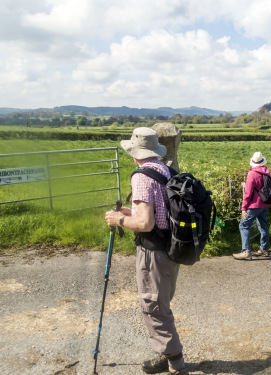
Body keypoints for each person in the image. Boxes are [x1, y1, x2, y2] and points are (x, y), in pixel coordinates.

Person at [103, 127, 189, 375]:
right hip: (171, 250)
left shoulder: (141, 176)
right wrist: (130, 213)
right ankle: (166, 353)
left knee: (153, 306)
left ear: (135, 152)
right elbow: (156, 212)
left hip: (153, 253)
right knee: (161, 303)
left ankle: (176, 362)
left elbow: (145, 224)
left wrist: (117, 220)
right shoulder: (166, 169)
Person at [233, 151, 271, 260]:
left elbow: (248, 193)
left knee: (243, 225)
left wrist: (243, 209)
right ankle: (264, 248)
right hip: (265, 203)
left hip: (254, 205)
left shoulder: (252, 173)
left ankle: (246, 251)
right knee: (263, 225)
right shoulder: (266, 171)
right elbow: (260, 186)